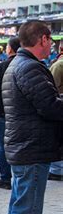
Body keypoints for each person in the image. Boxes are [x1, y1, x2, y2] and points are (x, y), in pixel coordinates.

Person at [1, 20, 63, 214]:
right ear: (42, 40)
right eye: (50, 39)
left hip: (26, 145)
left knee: (22, 205)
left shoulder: (22, 64)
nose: (52, 44)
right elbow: (49, 106)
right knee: (28, 208)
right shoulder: (29, 67)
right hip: (31, 147)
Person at [0, 37, 21, 189]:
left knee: (3, 146)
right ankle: (20, 177)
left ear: (10, 49)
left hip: (4, 113)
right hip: (23, 115)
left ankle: (5, 178)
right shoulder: (31, 65)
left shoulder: (1, 66)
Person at [48, 41, 63, 181]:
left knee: (57, 139)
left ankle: (57, 170)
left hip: (59, 108)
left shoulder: (58, 65)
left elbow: (50, 89)